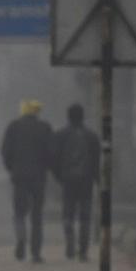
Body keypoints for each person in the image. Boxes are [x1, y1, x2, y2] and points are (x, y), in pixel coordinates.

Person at [0, 98, 53, 262]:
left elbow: (5, 151)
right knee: (37, 216)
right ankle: (36, 252)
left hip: (19, 176)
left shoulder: (13, 127)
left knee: (19, 212)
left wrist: (11, 168)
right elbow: (51, 152)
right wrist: (46, 168)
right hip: (38, 177)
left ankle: (21, 239)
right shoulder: (45, 128)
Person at [51, 103, 101, 261]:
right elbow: (97, 160)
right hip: (86, 180)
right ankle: (83, 251)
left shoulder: (60, 135)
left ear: (68, 116)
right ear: (82, 116)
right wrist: (97, 179)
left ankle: (70, 242)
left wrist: (59, 176)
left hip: (68, 180)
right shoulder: (92, 136)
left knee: (68, 213)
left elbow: (54, 159)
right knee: (85, 216)